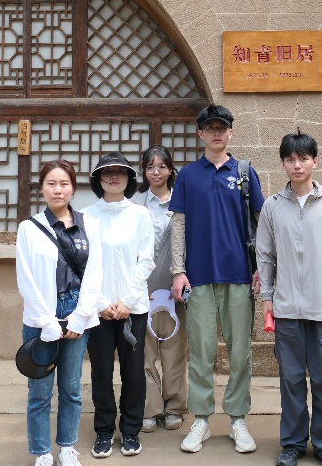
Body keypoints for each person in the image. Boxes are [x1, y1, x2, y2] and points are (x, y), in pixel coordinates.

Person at [169, 104, 264, 454]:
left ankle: (237, 418)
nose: (216, 133)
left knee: (240, 352)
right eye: (210, 128)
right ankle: (201, 419)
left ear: (230, 132)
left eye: (221, 128)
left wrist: (262, 267)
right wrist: (178, 271)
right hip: (198, 277)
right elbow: (178, 225)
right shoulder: (188, 175)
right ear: (200, 133)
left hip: (239, 275)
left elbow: (261, 222)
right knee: (201, 352)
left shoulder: (244, 172)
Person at [257, 132, 322, 466]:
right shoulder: (272, 206)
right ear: (283, 163)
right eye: (290, 159)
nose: (297, 165)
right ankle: (293, 442)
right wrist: (267, 298)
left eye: (303, 158)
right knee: (291, 379)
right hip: (286, 308)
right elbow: (265, 256)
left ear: (315, 161)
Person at [16, 159, 104, 466]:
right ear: (42, 188)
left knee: (70, 387)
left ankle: (67, 447)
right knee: (39, 390)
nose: (58, 190)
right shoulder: (29, 228)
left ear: (73, 188)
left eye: (64, 184)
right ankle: (42, 451)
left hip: (77, 310)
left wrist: (80, 317)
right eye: (51, 183)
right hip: (42, 314)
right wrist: (46, 322)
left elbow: (94, 273)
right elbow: (25, 278)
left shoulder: (89, 224)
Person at [83, 152, 155, 459]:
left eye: (120, 172)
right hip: (97, 309)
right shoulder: (85, 216)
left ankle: (130, 430)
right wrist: (100, 302)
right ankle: (103, 430)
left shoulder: (140, 215)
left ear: (129, 179)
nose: (114, 177)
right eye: (107, 172)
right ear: (98, 179)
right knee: (101, 370)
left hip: (132, 309)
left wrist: (127, 300)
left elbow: (146, 260)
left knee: (133, 372)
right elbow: (83, 264)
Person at [130, 145, 188, 433]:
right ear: (143, 170)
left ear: (170, 170)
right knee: (144, 352)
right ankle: (150, 408)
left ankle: (174, 406)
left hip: (174, 288)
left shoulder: (182, 201)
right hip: (143, 290)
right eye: (150, 166)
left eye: (162, 166)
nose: (156, 172)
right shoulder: (134, 203)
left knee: (174, 352)